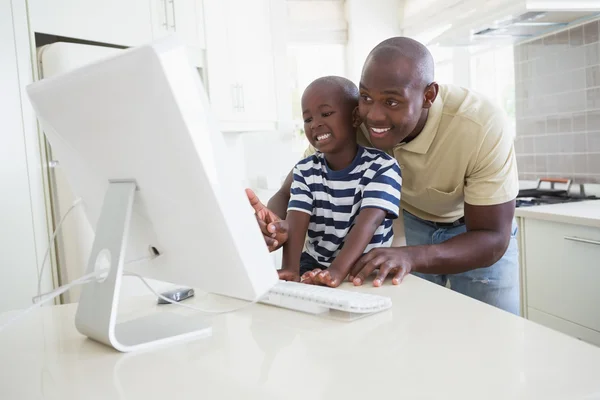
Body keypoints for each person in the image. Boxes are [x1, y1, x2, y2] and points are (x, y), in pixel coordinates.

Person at [247, 37, 520, 315]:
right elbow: (291, 189)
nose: (374, 116)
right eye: (366, 98)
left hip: (474, 232)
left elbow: (492, 237)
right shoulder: (353, 120)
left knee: (490, 330)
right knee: (418, 329)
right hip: (412, 223)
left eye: (392, 101)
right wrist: (276, 224)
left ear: (428, 96)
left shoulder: (480, 125)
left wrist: (413, 255)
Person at [257, 76, 402, 287]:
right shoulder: (305, 170)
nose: (315, 124)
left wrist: (336, 271)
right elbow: (296, 219)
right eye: (308, 119)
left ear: (354, 117)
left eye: (326, 114)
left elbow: (368, 224)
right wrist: (291, 267)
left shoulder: (383, 167)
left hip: (365, 268)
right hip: (314, 262)